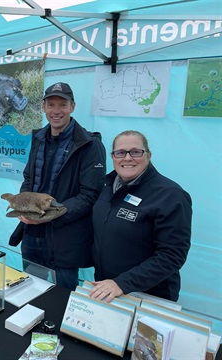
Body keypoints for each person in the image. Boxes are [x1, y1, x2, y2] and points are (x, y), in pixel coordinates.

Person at [10, 82, 106, 290]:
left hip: (65, 240)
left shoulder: (90, 145)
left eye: (62, 105)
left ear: (72, 107)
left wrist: (49, 215)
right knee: (33, 292)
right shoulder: (38, 139)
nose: (56, 111)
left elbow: (90, 195)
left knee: (63, 299)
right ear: (43, 107)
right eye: (51, 105)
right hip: (31, 235)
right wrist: (25, 206)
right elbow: (28, 178)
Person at [89, 130, 192, 302]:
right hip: (107, 288)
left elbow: (172, 255)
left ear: (148, 155)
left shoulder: (171, 195)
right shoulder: (106, 186)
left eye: (136, 152)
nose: (127, 158)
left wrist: (122, 283)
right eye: (120, 152)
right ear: (113, 156)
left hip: (148, 295)